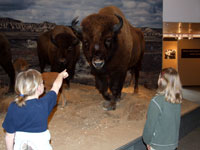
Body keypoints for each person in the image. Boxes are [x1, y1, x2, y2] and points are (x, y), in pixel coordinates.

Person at [2, 68, 69, 150]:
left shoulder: (13, 107)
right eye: (42, 83)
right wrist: (60, 75)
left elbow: (9, 136)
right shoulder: (44, 104)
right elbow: (56, 87)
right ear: (39, 88)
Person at [142, 67, 182, 150]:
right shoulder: (177, 100)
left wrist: (147, 141)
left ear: (161, 81)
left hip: (157, 144)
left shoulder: (156, 102)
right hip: (172, 143)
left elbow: (150, 126)